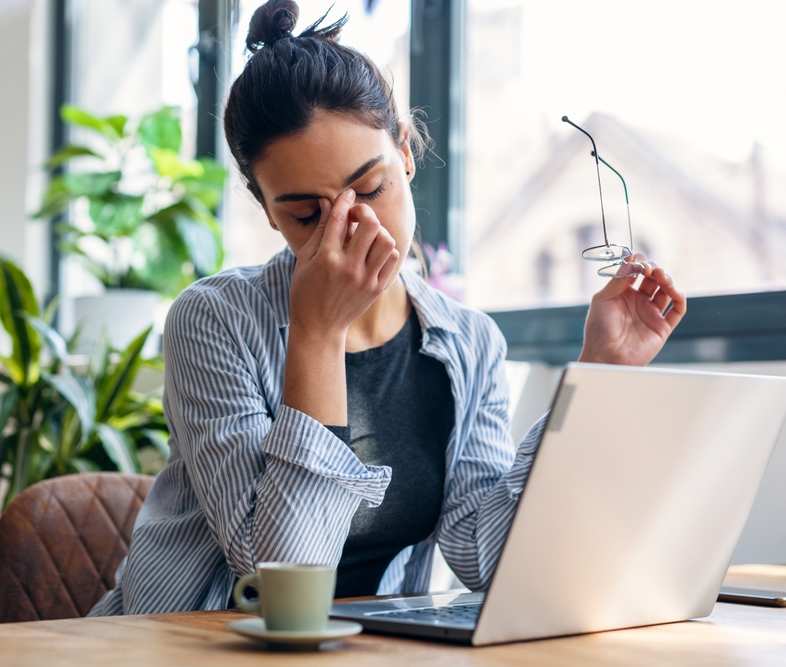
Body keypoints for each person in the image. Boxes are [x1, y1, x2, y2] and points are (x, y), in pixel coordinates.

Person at [89, 0, 686, 616]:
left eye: (370, 188)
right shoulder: (215, 321)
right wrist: (317, 336)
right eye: (305, 214)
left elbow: (485, 554)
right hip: (186, 645)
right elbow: (283, 580)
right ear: (267, 209)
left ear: (404, 149)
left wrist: (598, 373)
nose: (353, 227)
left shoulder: (469, 343)